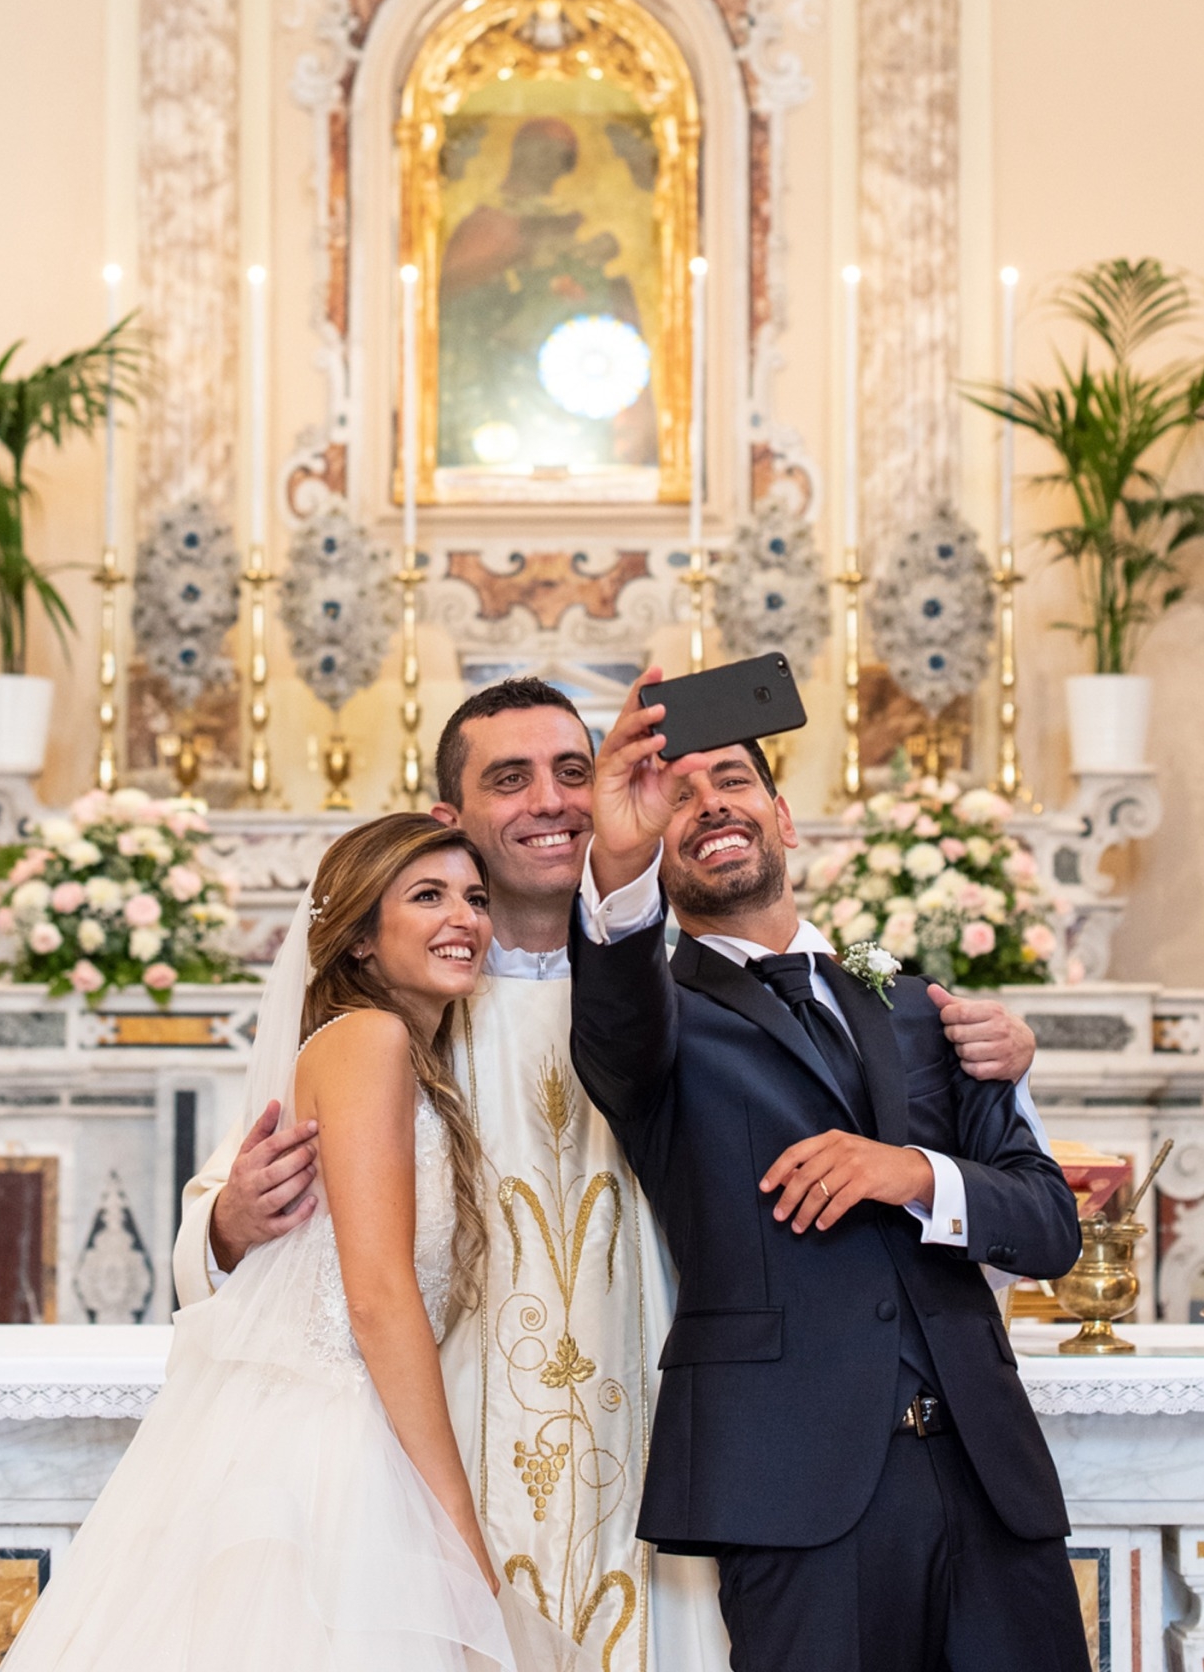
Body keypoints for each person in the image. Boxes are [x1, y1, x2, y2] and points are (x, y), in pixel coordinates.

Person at [176, 678, 1042, 1671]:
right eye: (511, 779)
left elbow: (892, 1175)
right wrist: (230, 1223)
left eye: (573, 773)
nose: (550, 801)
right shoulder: (400, 1010)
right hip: (437, 1454)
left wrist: (1004, 1071)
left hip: (665, 1463)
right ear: (448, 819)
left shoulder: (705, 994)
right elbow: (236, 1219)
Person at [569, 673, 1091, 1672]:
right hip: (791, 1485)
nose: (708, 801)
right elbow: (616, 1006)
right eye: (676, 796)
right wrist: (616, 855)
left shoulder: (916, 1007)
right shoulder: (656, 1027)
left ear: (783, 818)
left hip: (988, 1477)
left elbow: (1048, 1227)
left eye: (729, 779)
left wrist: (912, 1172)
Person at [6, 814, 576, 1672]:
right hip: (333, 1454)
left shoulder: (406, 1053)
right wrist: (454, 1519)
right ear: (357, 942)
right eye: (427, 897)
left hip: (340, 1436)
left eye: (473, 897)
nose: (464, 918)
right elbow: (378, 1298)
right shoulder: (369, 1041)